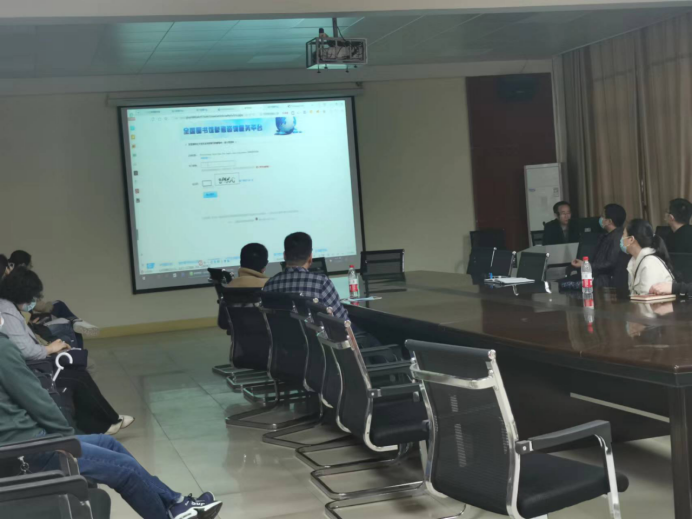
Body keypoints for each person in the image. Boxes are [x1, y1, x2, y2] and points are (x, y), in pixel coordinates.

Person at [0, 315, 224, 520]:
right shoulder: (2, 348)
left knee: (108, 443)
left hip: (21, 444)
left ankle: (176, 503)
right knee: (126, 470)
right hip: (27, 449)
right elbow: (35, 399)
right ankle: (172, 510)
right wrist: (66, 438)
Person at [0, 267, 132, 435]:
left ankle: (105, 422)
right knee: (78, 376)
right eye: (32, 297)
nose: (33, 301)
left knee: (78, 370)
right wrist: (50, 348)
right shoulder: (8, 312)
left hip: (34, 364)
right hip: (33, 369)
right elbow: (26, 351)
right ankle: (108, 421)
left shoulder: (10, 308)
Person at [8, 250, 101, 338]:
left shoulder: (11, 280)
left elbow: (26, 304)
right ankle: (76, 321)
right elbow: (28, 306)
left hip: (27, 318)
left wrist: (37, 304)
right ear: (23, 265)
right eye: (30, 266)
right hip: (30, 322)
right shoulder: (18, 280)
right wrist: (43, 306)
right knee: (64, 314)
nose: (31, 268)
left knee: (64, 312)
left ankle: (76, 322)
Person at [263, 232, 348, 319]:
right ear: (310, 257)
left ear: (284, 255)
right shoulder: (321, 282)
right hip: (316, 328)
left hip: (280, 328)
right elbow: (342, 319)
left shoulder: (269, 285)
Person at [571, 204, 628, 287]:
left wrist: (585, 264)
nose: (600, 218)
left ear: (609, 221)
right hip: (597, 277)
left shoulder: (617, 238)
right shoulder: (608, 235)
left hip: (605, 282)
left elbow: (610, 263)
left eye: (602, 216)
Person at [622, 219, 674, 296]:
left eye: (623, 235)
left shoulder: (650, 263)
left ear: (631, 239)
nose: (621, 239)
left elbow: (649, 299)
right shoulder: (634, 260)